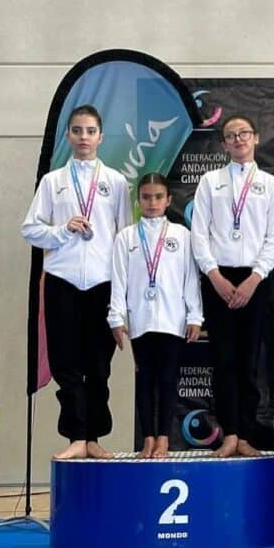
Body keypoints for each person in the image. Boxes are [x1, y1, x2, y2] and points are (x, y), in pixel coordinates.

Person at [21, 104, 132, 460]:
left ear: (100, 137)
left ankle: (94, 436)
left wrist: (122, 297)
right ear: (68, 135)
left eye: (90, 131)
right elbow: (30, 229)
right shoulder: (53, 182)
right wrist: (61, 231)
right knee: (65, 364)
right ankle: (76, 436)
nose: (84, 137)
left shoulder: (115, 182)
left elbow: (125, 238)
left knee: (98, 365)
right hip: (62, 281)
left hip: (102, 283)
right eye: (77, 130)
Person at [191, 114, 274, 458]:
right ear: (224, 144)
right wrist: (214, 276)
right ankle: (228, 433)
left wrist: (254, 278)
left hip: (256, 281)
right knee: (223, 359)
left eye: (244, 133)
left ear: (256, 138)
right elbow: (199, 234)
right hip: (218, 279)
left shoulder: (270, 184)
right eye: (231, 136)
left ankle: (245, 433)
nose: (238, 139)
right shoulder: (209, 182)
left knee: (250, 361)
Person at [108, 174, 202, 459]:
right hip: (140, 319)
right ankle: (147, 438)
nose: (152, 202)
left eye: (158, 197)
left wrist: (195, 315)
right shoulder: (126, 237)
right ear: (138, 201)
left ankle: (164, 438)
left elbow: (190, 279)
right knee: (145, 379)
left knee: (168, 378)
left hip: (172, 318)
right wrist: (116, 317)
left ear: (168, 200)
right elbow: (119, 281)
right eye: (146, 197)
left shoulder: (182, 236)